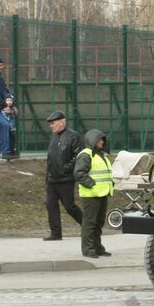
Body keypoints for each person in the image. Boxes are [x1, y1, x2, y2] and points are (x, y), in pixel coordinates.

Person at [43, 110, 83, 241]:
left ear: (61, 122)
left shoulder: (73, 136)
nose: (51, 126)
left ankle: (88, 226)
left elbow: (78, 155)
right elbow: (50, 157)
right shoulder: (54, 136)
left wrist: (67, 168)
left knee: (69, 206)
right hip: (52, 179)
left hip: (65, 179)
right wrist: (47, 174)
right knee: (51, 205)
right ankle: (56, 233)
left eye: (53, 123)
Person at [74, 129, 114, 259]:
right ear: (93, 140)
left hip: (102, 193)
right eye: (100, 139)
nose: (102, 142)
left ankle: (98, 248)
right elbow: (79, 173)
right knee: (89, 223)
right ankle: (88, 249)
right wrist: (92, 184)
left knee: (98, 223)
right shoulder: (86, 155)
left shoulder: (100, 155)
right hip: (91, 195)